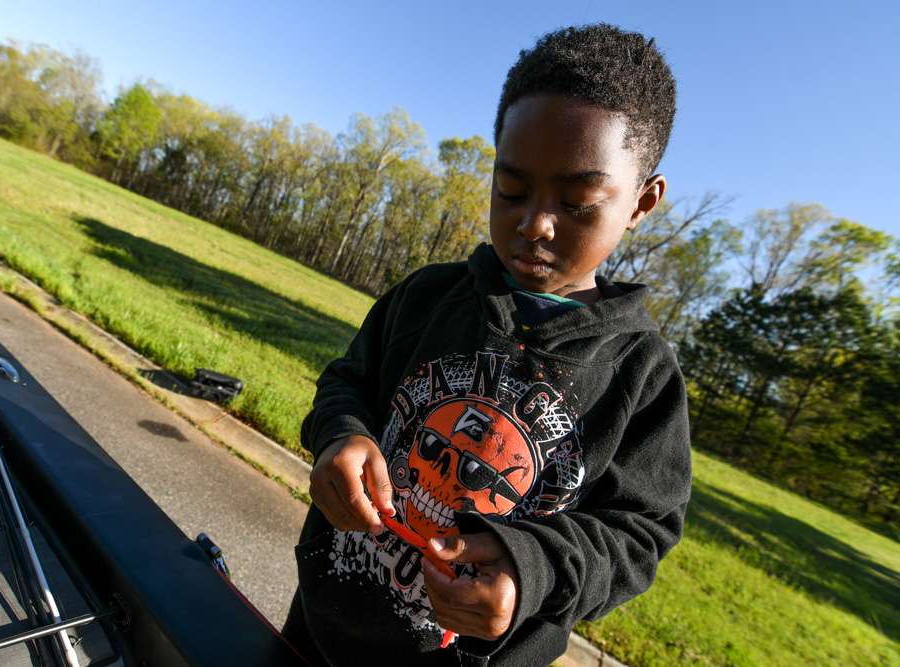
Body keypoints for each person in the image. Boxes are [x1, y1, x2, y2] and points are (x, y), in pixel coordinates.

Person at [283, 23, 692, 667]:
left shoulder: (641, 375)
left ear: (642, 202)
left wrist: (531, 567)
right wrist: (341, 434)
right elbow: (347, 382)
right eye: (512, 189)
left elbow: (638, 535)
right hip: (320, 630)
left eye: (579, 202)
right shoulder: (425, 298)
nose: (535, 224)